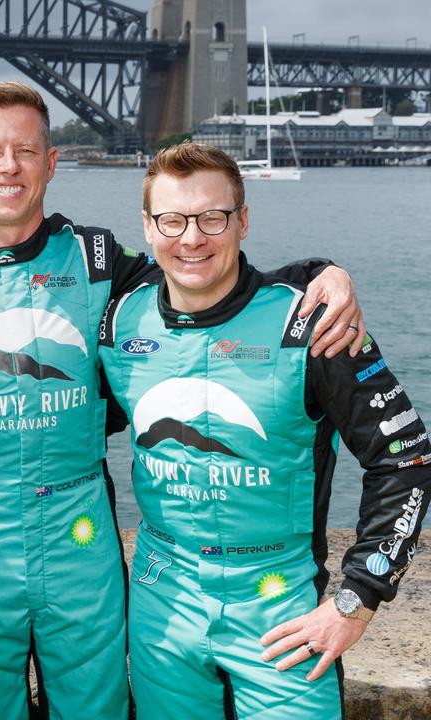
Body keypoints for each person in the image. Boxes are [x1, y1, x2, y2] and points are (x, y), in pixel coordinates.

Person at [0, 82, 364, 720]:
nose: (8, 166)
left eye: (25, 150)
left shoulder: (101, 260)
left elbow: (206, 274)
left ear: (52, 162)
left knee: (97, 709)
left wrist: (321, 272)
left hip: (80, 537)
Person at [97, 142, 430, 719]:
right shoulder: (119, 319)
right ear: (148, 228)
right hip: (160, 602)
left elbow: (407, 458)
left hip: (279, 605)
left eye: (212, 218)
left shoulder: (313, 324)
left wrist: (357, 600)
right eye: (173, 220)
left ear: (243, 220)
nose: (192, 238)